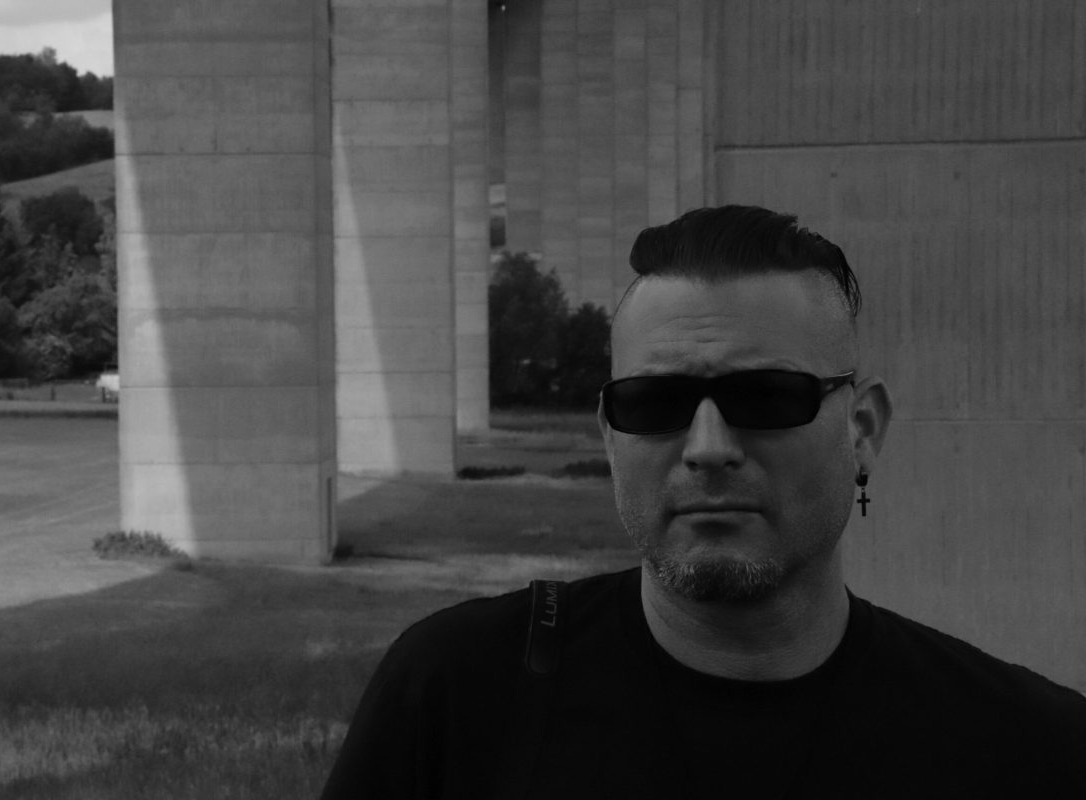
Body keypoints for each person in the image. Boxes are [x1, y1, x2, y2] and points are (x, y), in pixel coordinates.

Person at [321, 206, 1086, 799]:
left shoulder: (1029, 749)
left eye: (766, 397)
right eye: (656, 403)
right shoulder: (457, 697)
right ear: (611, 434)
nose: (708, 446)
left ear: (862, 430)